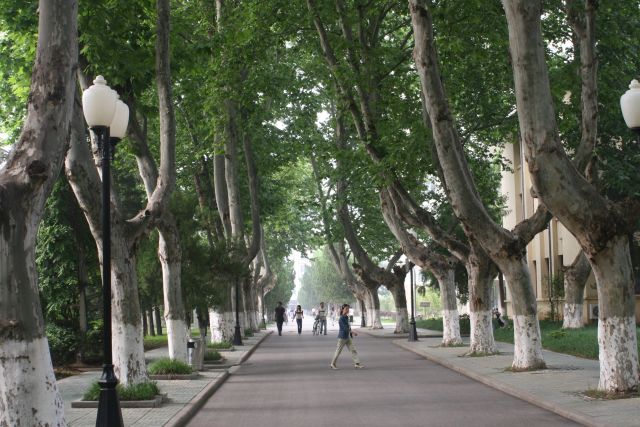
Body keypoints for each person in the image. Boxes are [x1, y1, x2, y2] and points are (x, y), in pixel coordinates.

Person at [330, 304, 363, 369]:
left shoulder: (347, 317)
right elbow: (345, 328)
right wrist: (352, 332)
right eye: (346, 309)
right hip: (342, 337)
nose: (347, 310)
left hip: (348, 337)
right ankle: (332, 364)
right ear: (342, 309)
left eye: (348, 309)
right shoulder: (341, 318)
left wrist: (351, 331)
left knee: (353, 350)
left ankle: (357, 363)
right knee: (338, 351)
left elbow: (349, 325)